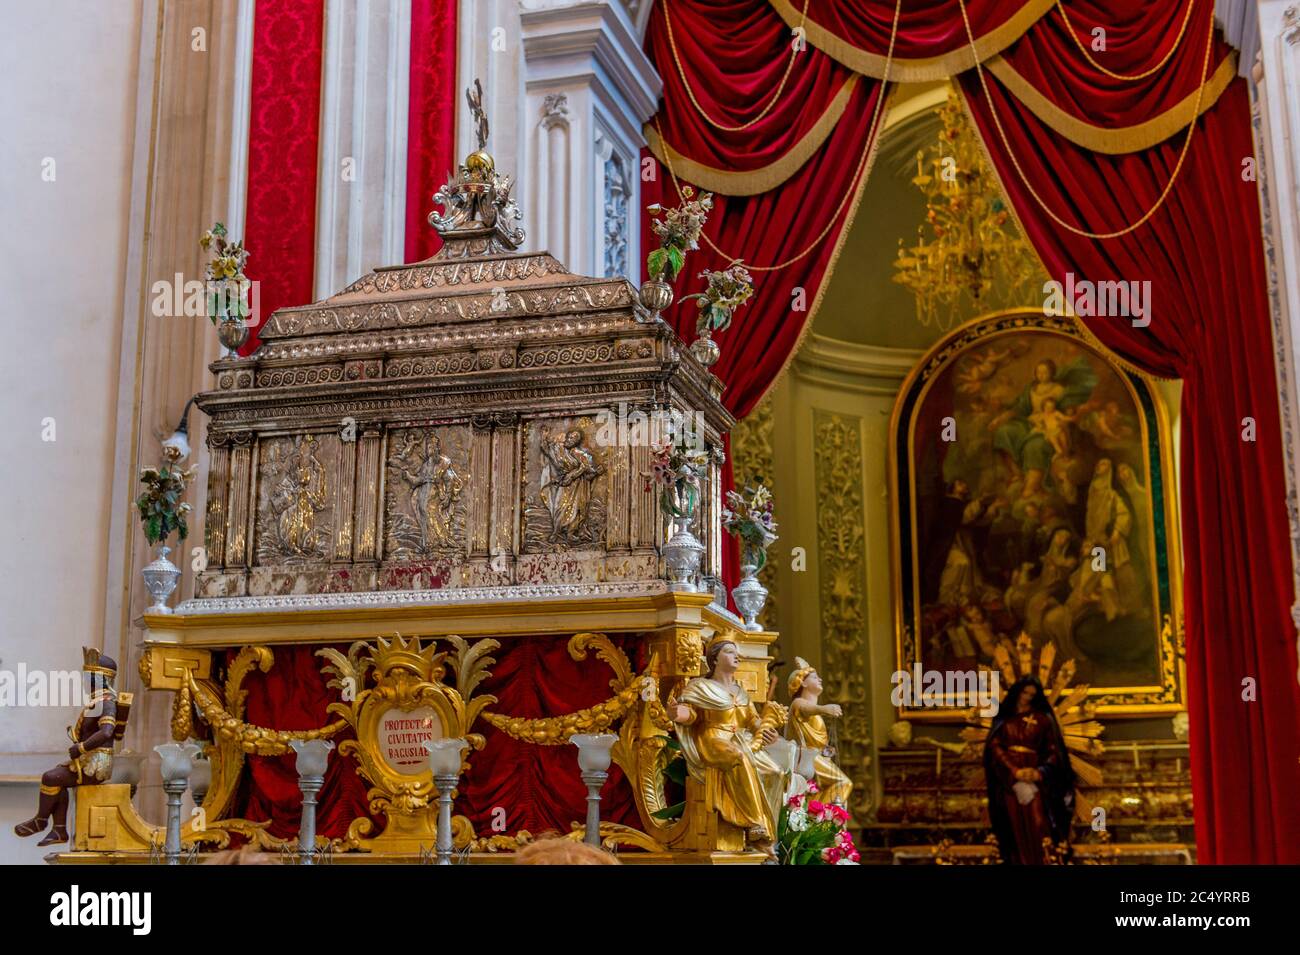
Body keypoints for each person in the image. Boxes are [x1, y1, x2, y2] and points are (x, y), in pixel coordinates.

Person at [670, 635, 788, 859]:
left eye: (737, 653)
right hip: (713, 739)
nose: (737, 656)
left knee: (775, 771)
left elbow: (752, 721)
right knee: (738, 757)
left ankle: (767, 834)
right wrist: (679, 714)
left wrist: (767, 730)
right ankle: (756, 825)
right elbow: (691, 713)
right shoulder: (701, 686)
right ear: (714, 658)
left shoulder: (740, 691)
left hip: (741, 740)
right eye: (730, 652)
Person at [14, 649, 120, 846]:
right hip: (89, 759)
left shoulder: (107, 703)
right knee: (57, 776)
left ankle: (41, 820)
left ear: (101, 679)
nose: (84, 682)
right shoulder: (97, 702)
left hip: (96, 763)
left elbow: (106, 732)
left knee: (50, 777)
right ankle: (59, 830)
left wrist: (81, 747)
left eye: (88, 678)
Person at [982, 676, 1076, 864]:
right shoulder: (1004, 716)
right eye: (1025, 693)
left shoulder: (1042, 718)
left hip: (1034, 777)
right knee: (1013, 825)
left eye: (1032, 695)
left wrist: (1040, 772)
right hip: (1009, 779)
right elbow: (994, 746)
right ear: (1017, 691)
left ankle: (1044, 860)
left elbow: (1053, 751)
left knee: (1038, 821)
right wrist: (1014, 770)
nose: (1027, 698)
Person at [786, 658, 853, 810]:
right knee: (843, 782)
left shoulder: (814, 712)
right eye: (815, 677)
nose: (820, 679)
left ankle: (815, 813)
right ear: (803, 683)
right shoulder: (798, 703)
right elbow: (805, 708)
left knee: (828, 788)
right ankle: (814, 816)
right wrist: (824, 709)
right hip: (807, 758)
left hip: (817, 758)